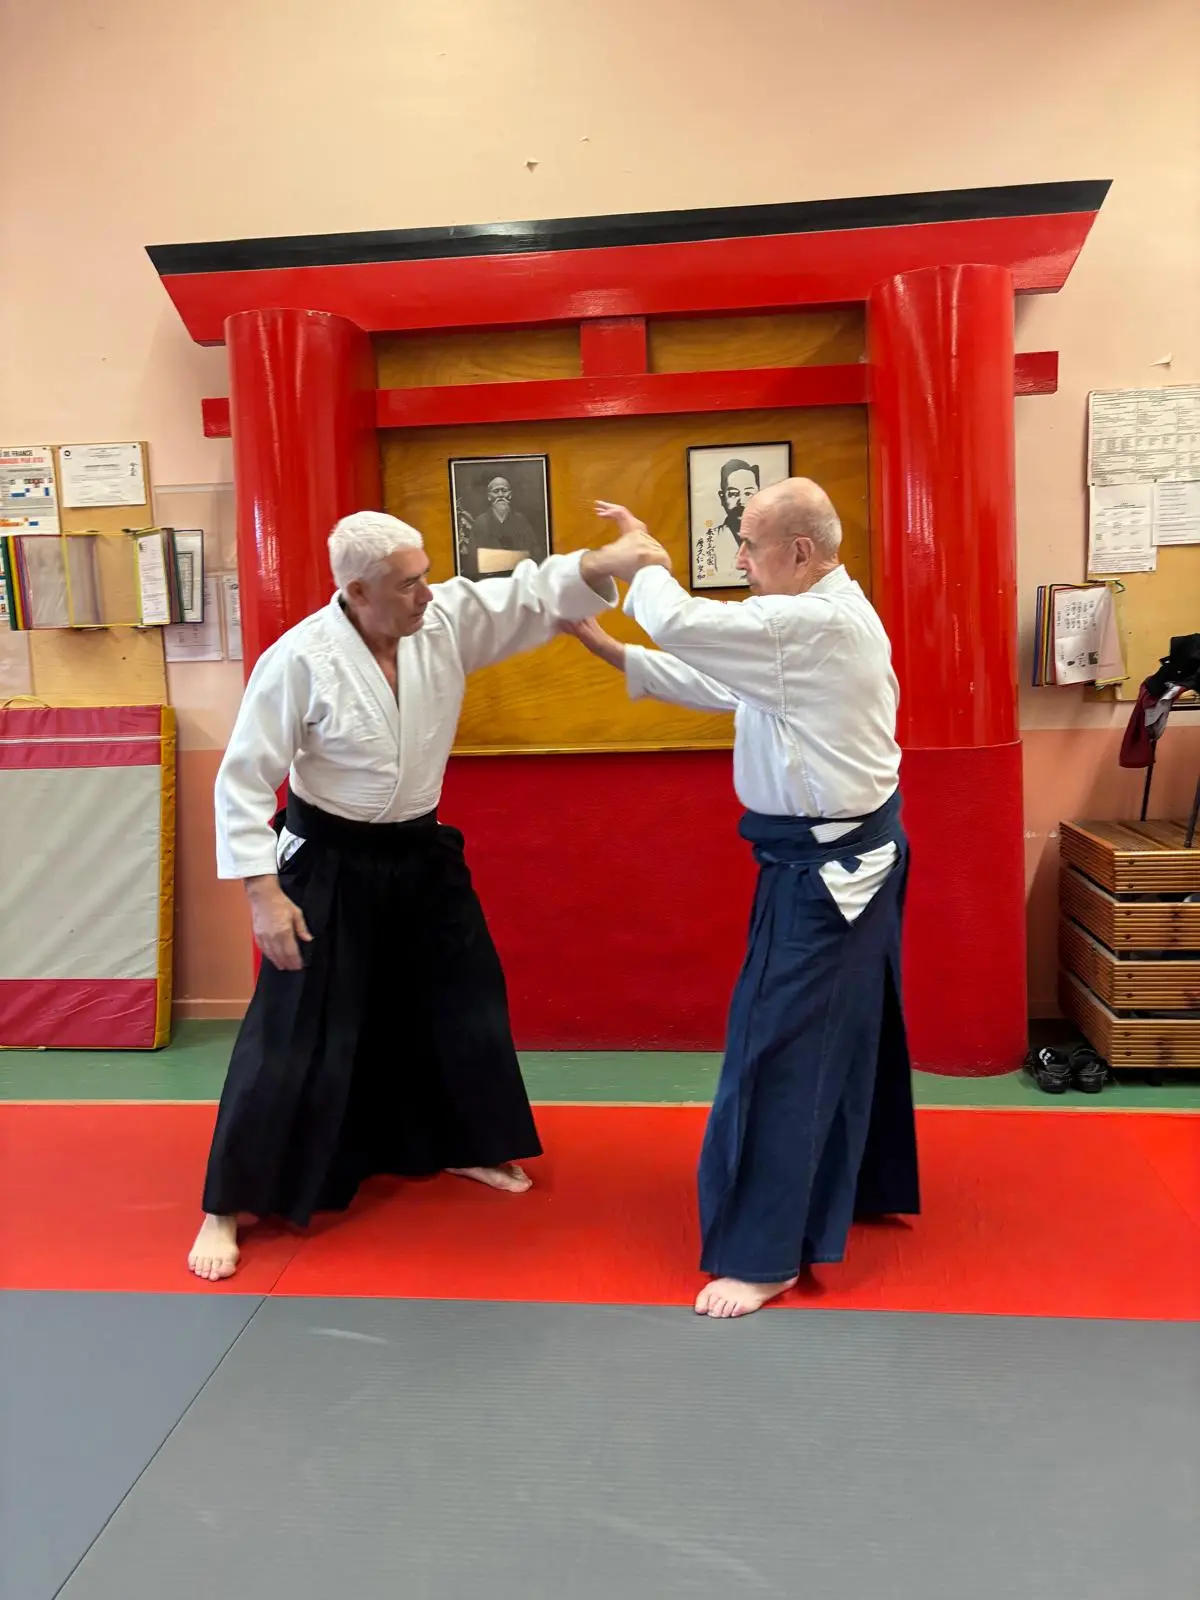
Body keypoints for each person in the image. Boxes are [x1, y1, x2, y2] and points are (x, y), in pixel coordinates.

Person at [189, 510, 663, 1281]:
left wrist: (605, 557)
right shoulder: (301, 659)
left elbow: (528, 596)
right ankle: (227, 1201)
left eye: (426, 573)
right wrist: (262, 896)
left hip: (418, 850)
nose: (426, 592)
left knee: (461, 998)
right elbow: (242, 777)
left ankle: (464, 1144)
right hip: (327, 859)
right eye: (409, 582)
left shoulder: (438, 622)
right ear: (358, 591)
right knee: (297, 1025)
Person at [563, 484, 919, 1318]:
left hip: (831, 874)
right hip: (825, 862)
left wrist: (643, 555)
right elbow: (718, 681)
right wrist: (607, 650)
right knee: (838, 1034)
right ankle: (841, 1193)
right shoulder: (812, 625)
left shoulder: (820, 624)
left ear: (799, 551)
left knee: (780, 1049)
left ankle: (767, 1256)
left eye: (750, 547)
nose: (740, 564)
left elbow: (686, 624)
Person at [460, 476, 541, 580]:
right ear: (489, 497)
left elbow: (533, 553)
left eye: (504, 491)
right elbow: (474, 560)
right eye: (496, 491)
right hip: (489, 581)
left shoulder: (521, 521)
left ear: (510, 495)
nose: (500, 495)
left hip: (517, 580)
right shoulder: (480, 522)